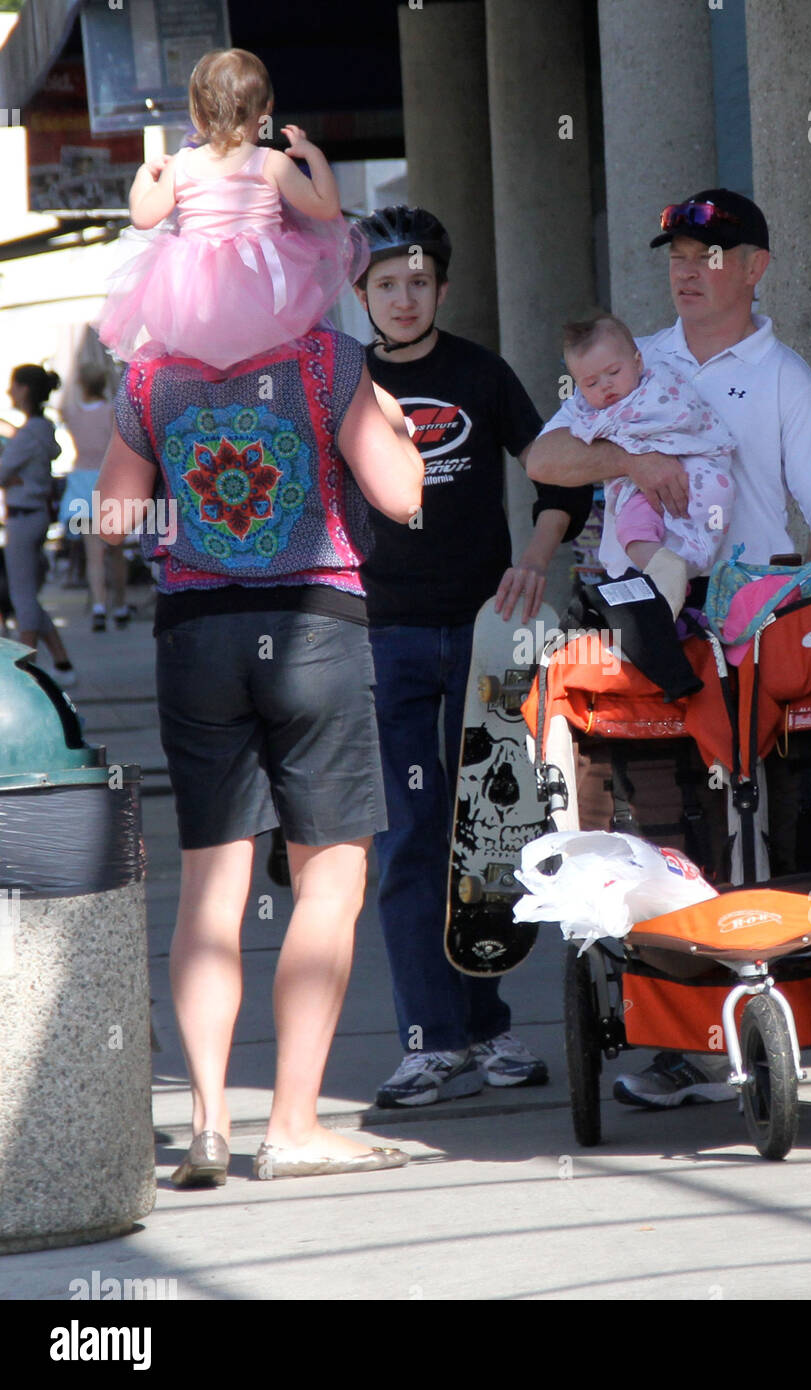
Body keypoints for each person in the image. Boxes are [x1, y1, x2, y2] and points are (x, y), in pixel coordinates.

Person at [529, 188, 811, 1110]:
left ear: (754, 268)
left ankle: (757, 1023)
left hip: (751, 626)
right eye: (675, 254)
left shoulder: (785, 376)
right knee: (664, 821)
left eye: (709, 255)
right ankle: (678, 1029)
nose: (685, 270)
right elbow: (547, 461)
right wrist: (630, 464)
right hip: (652, 626)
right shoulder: (632, 361)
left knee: (759, 815)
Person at [97, 325, 424, 1182]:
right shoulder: (327, 358)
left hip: (197, 635)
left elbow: (112, 518)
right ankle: (292, 1124)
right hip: (315, 623)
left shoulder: (151, 373)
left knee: (211, 884)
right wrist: (389, 421)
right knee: (331, 874)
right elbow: (398, 495)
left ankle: (207, 1120)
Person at [353, 206, 593, 1107]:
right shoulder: (341, 380)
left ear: (442, 288)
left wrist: (535, 556)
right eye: (386, 285)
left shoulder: (480, 373)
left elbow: (559, 468)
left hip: (490, 633)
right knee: (411, 841)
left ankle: (489, 1029)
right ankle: (429, 1040)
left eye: (419, 282)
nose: (404, 298)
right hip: (384, 636)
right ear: (362, 295)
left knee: (492, 835)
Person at [98, 48, 365, 371]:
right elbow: (326, 207)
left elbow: (142, 217)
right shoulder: (271, 162)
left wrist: (144, 175)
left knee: (203, 364)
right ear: (267, 108)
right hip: (261, 283)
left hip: (195, 294)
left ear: (197, 112)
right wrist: (312, 154)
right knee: (274, 356)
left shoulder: (181, 164)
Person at [561, 310, 735, 590]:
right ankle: (664, 573)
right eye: (591, 383)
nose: (605, 385)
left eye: (614, 372)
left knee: (716, 493)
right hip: (638, 492)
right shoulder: (589, 413)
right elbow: (573, 441)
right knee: (631, 529)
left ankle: (688, 562)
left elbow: (686, 414)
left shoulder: (662, 385)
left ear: (638, 362)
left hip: (696, 466)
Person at [0, 365, 75, 682]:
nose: (8, 393)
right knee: (26, 592)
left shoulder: (28, 434)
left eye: (13, 386)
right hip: (34, 516)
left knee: (22, 597)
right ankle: (62, 664)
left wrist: (10, 478)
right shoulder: (41, 430)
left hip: (22, 516)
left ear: (25, 390)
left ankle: (23, 672)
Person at [59, 360, 130, 631]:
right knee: (116, 551)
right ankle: (120, 605)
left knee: (93, 554)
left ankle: (99, 607)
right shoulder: (112, 412)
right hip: (110, 479)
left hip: (82, 482)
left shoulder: (71, 413)